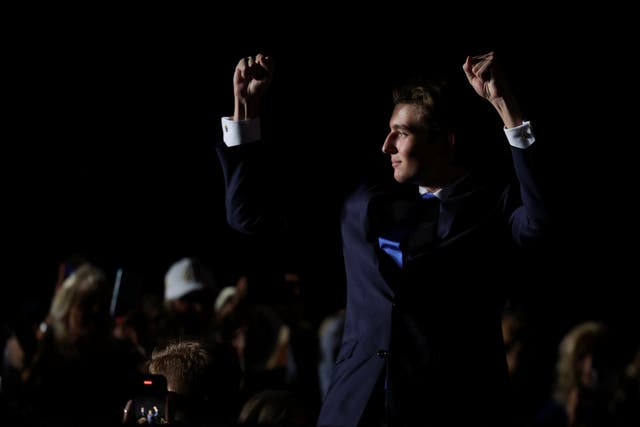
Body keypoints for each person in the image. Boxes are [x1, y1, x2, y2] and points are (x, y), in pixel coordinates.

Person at [215, 51, 550, 426]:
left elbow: (541, 224)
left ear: (447, 141)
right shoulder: (363, 202)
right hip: (354, 407)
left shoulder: (492, 206)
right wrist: (246, 108)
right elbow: (248, 217)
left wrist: (510, 112)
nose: (387, 146)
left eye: (403, 133)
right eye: (390, 131)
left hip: (453, 408)